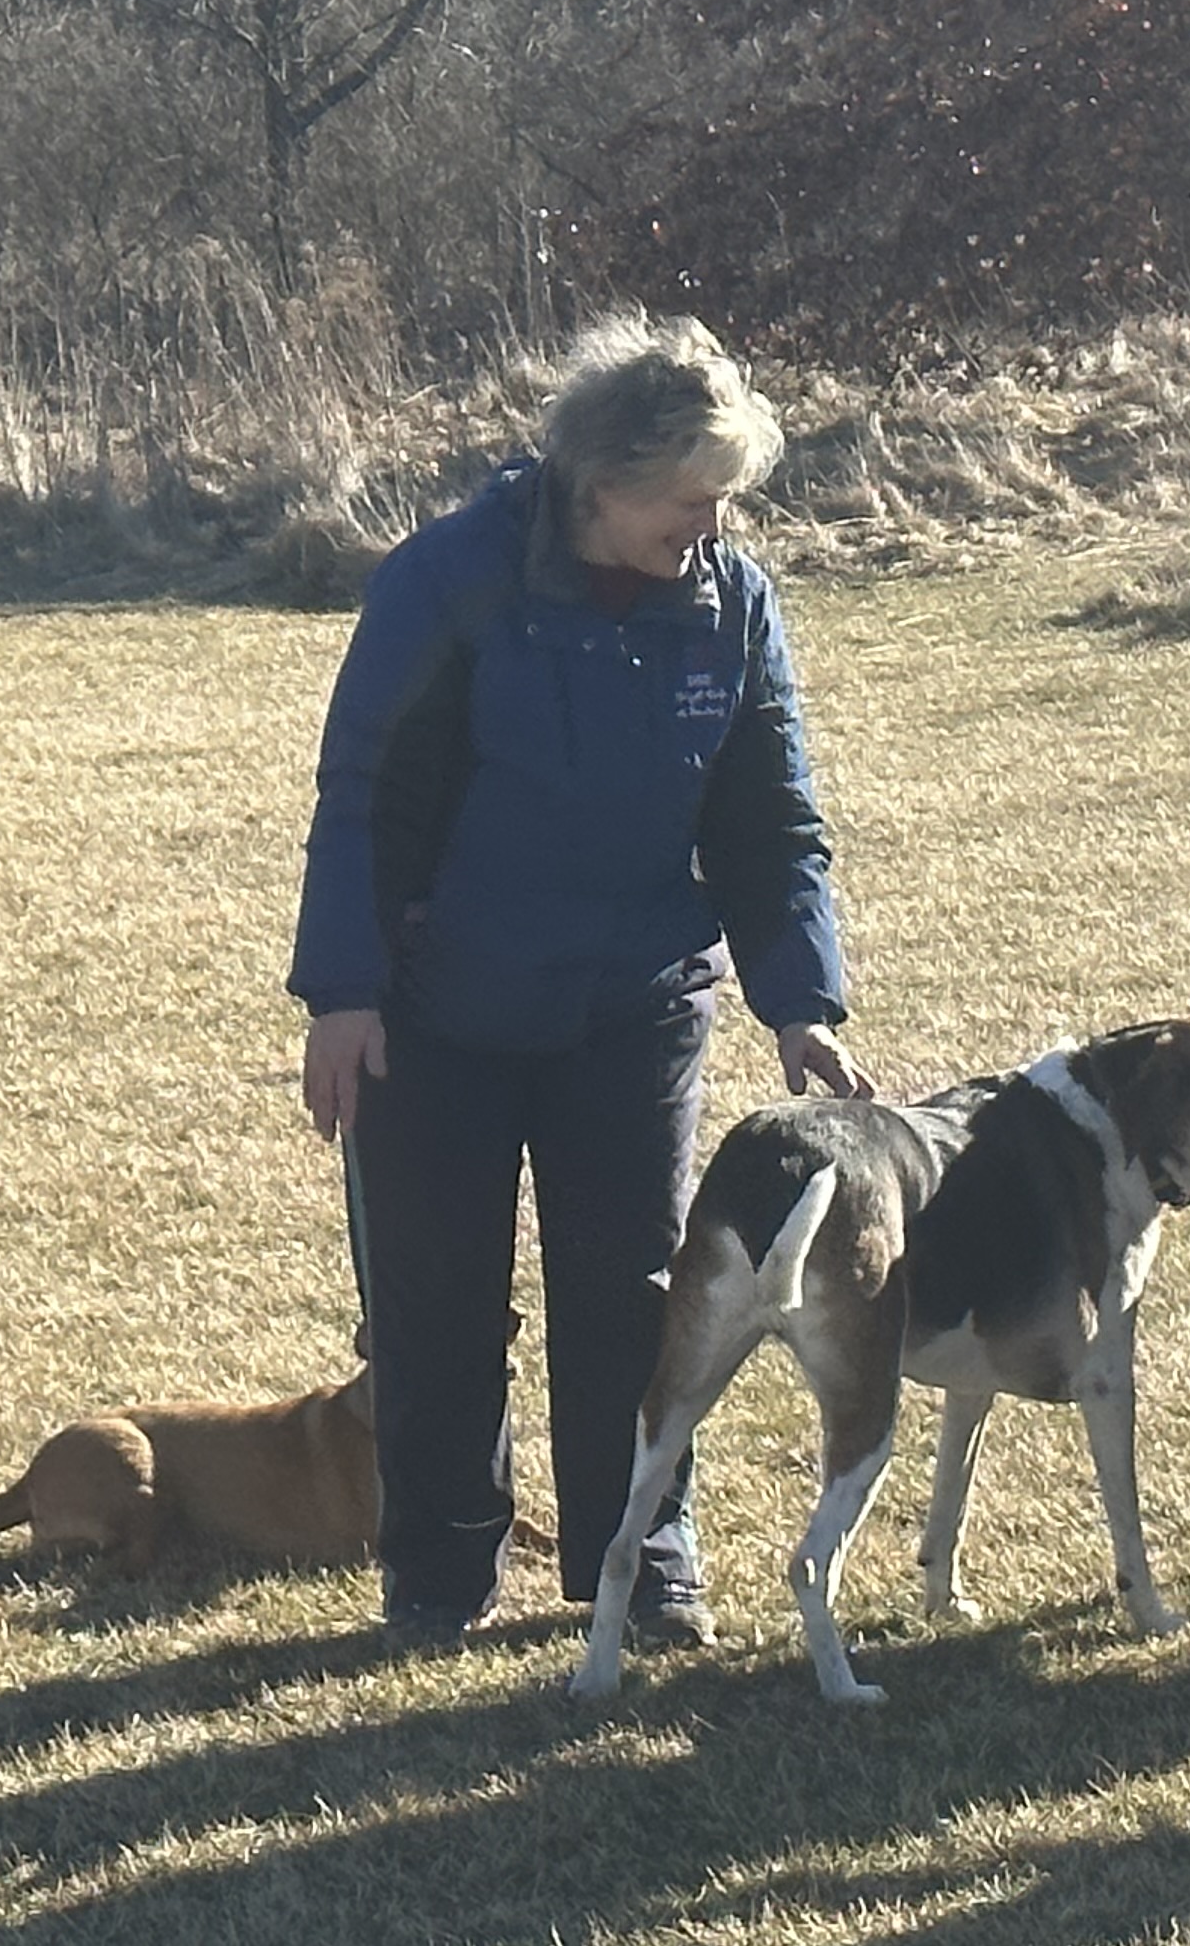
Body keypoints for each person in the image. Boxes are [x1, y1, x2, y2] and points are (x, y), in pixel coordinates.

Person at [291, 313, 867, 1645]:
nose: (709, 528)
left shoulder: (732, 606)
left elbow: (770, 820)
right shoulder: (449, 582)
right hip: (439, 1014)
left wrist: (802, 1002)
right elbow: (366, 795)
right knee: (436, 1304)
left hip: (637, 1008)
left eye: (722, 503)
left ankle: (640, 1562)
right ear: (603, 480)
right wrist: (346, 993)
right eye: (689, 500)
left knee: (641, 1302)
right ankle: (437, 1577)